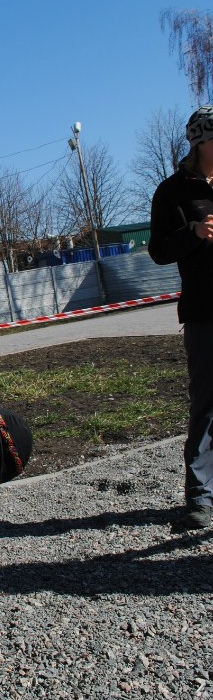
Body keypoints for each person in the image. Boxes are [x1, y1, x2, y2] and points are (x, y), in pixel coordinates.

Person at [149, 104, 213, 531]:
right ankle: (201, 497)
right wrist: (192, 234)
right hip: (206, 312)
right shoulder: (172, 192)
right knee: (207, 406)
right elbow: (158, 251)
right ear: (202, 142)